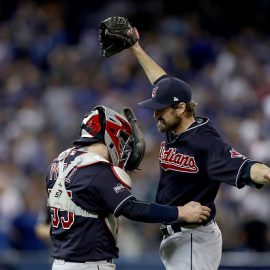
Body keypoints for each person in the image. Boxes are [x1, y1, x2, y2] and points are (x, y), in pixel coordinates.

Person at [98, 16, 270, 270]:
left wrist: (265, 172)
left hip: (194, 239)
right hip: (179, 237)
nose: (155, 113)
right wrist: (135, 47)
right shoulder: (176, 123)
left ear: (180, 108)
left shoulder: (206, 143)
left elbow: (252, 169)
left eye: (161, 109)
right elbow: (161, 82)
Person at [45, 105, 210, 270]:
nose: (125, 146)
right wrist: (181, 212)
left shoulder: (59, 162)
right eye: (122, 138)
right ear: (109, 133)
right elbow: (132, 209)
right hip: (90, 264)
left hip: (61, 263)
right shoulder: (96, 170)